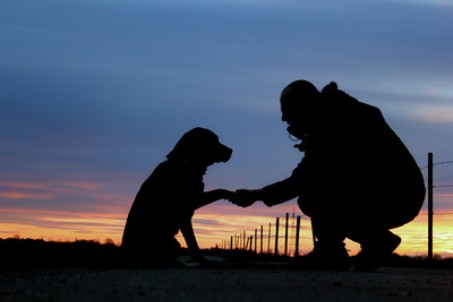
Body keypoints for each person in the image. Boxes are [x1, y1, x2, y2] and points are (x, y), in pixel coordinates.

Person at [230, 80, 425, 271]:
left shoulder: (335, 126)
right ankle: (374, 241)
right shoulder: (342, 116)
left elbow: (305, 178)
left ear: (304, 109)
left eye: (289, 115)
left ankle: (335, 252)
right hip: (398, 193)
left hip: (396, 195)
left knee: (314, 195)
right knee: (319, 189)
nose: (285, 121)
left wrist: (260, 194)